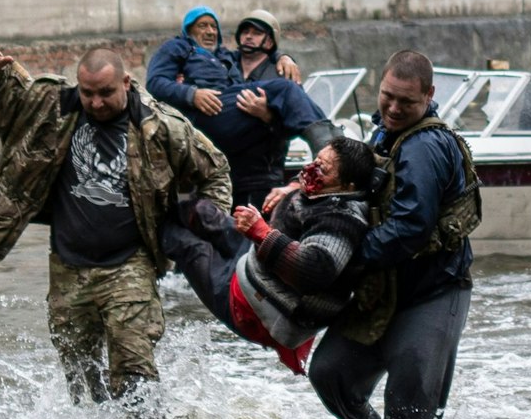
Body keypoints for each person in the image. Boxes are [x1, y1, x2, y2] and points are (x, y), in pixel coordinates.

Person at [0, 43, 232, 403]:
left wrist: (204, 229)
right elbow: (3, 104)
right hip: (67, 266)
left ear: (127, 82)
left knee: (135, 375)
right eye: (88, 93)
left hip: (129, 265)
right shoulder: (52, 105)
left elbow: (216, 173)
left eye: (106, 93)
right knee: (82, 382)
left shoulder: (160, 125)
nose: (97, 103)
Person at [307, 50, 479, 419]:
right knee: (330, 372)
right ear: (379, 87)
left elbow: (409, 229)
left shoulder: (427, 148)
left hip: (435, 291)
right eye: (388, 96)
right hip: (385, 286)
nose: (394, 108)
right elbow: (353, 188)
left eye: (407, 101)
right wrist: (301, 194)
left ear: (429, 96)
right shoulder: (382, 133)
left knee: (409, 401)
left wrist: (342, 260)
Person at [160, 136, 375, 374]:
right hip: (256, 261)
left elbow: (315, 270)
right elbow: (310, 183)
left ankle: (141, 229)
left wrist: (261, 232)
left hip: (256, 304)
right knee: (203, 213)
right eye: (315, 160)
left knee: (185, 244)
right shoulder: (327, 191)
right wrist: (292, 187)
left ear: (348, 187)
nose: (310, 169)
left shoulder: (341, 218)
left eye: (321, 168)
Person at [146, 6, 332, 208]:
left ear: (269, 41)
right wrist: (191, 93)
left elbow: (291, 123)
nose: (210, 31)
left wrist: (268, 114)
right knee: (286, 90)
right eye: (245, 32)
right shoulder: (183, 48)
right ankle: (332, 149)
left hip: (262, 173)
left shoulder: (246, 64)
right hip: (214, 129)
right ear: (188, 30)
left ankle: (332, 151)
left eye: (256, 33)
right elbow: (155, 82)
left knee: (288, 89)